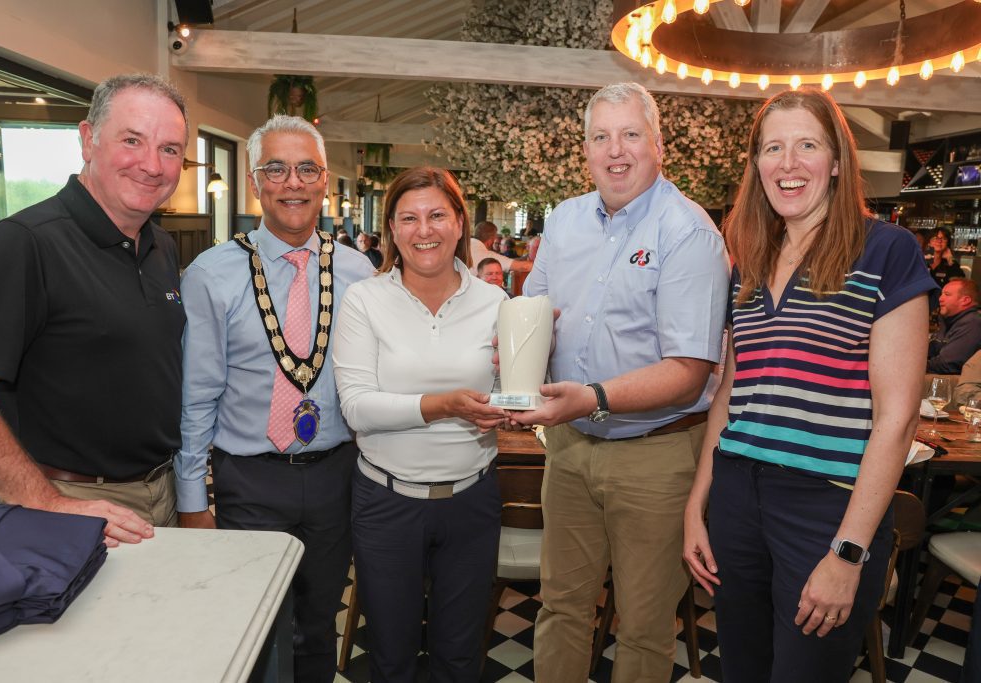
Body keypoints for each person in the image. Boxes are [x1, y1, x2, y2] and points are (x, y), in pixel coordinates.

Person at [682, 88, 934, 683]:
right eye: (774, 147)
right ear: (757, 165)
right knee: (742, 669)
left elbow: (897, 419)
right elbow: (730, 394)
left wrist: (849, 551)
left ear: (838, 162)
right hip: (737, 496)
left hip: (827, 506)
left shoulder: (887, 251)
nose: (788, 163)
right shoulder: (748, 258)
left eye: (807, 146)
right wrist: (699, 506)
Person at [512, 82, 730, 682]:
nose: (616, 151)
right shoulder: (564, 220)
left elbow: (689, 374)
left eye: (630, 134)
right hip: (570, 444)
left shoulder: (688, 232)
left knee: (642, 626)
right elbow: (535, 318)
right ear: (584, 149)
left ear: (658, 146)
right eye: (601, 137)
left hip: (656, 456)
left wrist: (596, 398)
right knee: (560, 606)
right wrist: (513, 367)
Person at [174, 114, 374, 682]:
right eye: (277, 169)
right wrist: (193, 502)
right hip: (249, 481)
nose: (293, 182)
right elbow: (197, 398)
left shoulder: (358, 273)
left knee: (318, 627)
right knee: (250, 627)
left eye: (306, 168)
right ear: (256, 183)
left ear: (325, 181)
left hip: (337, 476)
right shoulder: (211, 275)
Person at [0, 73, 189, 547]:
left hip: (160, 492)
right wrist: (50, 503)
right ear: (88, 140)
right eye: (132, 140)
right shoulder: (22, 244)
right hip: (68, 503)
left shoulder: (161, 246)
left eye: (169, 149)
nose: (151, 164)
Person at [333, 167, 508, 681]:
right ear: (391, 229)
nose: (423, 230)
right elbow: (358, 408)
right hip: (387, 503)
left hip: (472, 501)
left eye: (436, 215)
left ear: (460, 224)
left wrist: (535, 354)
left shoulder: (495, 302)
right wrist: (444, 404)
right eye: (408, 218)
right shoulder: (366, 300)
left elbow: (508, 396)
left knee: (459, 656)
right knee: (391, 654)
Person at [928, 277, 981, 375]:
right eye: (941, 294)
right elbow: (930, 350)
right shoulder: (947, 320)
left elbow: (949, 364)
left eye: (947, 295)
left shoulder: (973, 322)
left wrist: (913, 366)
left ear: (965, 300)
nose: (940, 298)